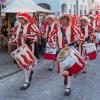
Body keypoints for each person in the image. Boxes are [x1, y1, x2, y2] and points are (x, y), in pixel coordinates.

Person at [9, 13, 39, 90]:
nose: (20, 20)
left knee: (27, 64)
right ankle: (29, 73)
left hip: (29, 48)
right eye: (19, 19)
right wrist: (11, 41)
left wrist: (28, 36)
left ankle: (26, 81)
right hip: (19, 48)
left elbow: (38, 35)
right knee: (24, 64)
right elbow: (14, 36)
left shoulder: (31, 26)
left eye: (21, 19)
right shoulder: (17, 27)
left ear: (25, 19)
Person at [56, 14, 84, 96]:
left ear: (68, 20)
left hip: (70, 52)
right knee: (63, 69)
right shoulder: (57, 28)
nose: (63, 20)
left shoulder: (73, 28)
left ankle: (68, 86)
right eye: (62, 19)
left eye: (65, 19)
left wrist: (77, 39)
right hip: (61, 52)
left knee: (69, 70)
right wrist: (55, 45)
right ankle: (66, 78)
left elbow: (81, 37)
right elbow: (51, 37)